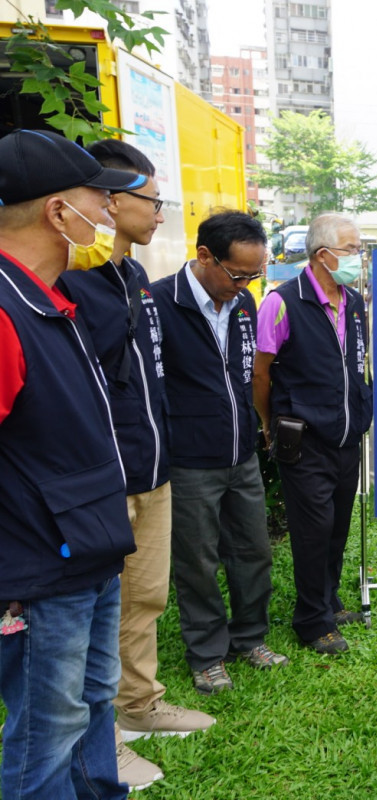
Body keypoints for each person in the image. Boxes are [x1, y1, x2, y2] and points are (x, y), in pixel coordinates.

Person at [57, 139, 214, 790]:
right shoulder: (68, 278)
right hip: (104, 477)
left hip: (152, 467)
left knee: (144, 597)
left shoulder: (133, 277)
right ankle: (103, 741)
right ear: (107, 201)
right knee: (94, 612)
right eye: (150, 200)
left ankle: (140, 706)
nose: (158, 214)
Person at [0, 128, 143, 799]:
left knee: (91, 704)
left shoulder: (53, 300)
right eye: (101, 199)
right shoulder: (5, 310)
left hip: (88, 549)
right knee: (47, 731)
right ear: (59, 212)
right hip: (37, 570)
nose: (111, 212)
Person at [151, 210, 288, 694]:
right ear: (204, 256)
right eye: (238, 274)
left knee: (253, 551)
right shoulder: (158, 302)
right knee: (197, 561)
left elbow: (248, 376)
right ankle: (207, 653)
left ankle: (249, 638)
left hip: (241, 454)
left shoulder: (245, 305)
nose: (246, 285)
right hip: (190, 462)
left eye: (256, 275)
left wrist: (258, 427)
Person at [254, 213, 372, 655]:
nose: (358, 258)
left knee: (338, 525)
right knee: (313, 529)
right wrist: (270, 423)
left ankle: (329, 600)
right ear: (324, 255)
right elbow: (260, 373)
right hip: (303, 438)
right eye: (351, 249)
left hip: (346, 435)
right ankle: (311, 620)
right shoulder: (281, 302)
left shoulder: (354, 303)